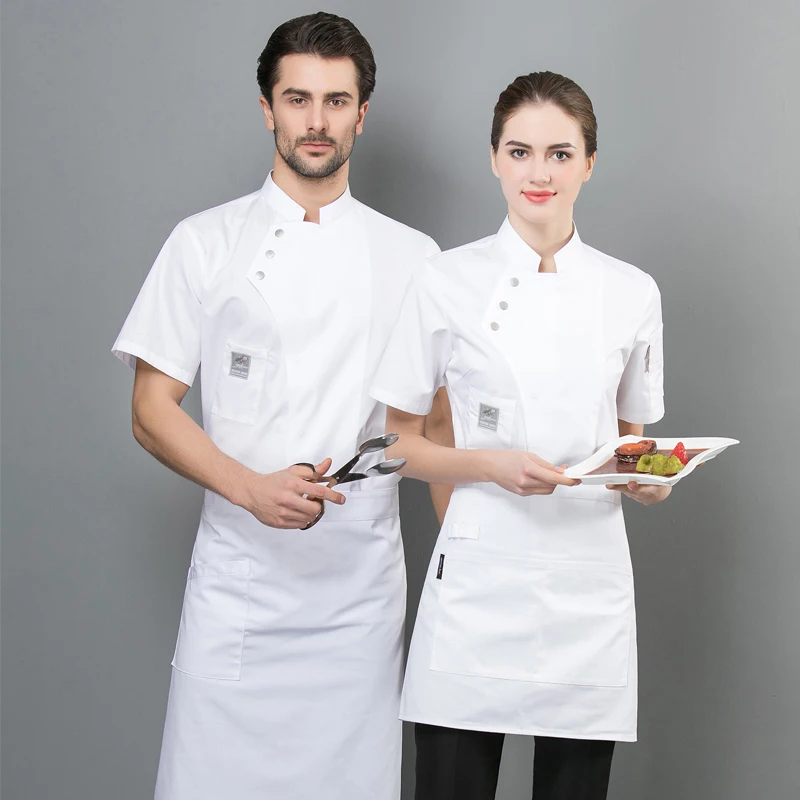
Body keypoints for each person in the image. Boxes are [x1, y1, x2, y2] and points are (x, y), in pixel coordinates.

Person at [112, 12, 444, 800]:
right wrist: (248, 487)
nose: (317, 121)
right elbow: (150, 408)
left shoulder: (415, 258)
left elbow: (432, 433)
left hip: (357, 594)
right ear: (268, 107)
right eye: (298, 99)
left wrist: (470, 561)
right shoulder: (204, 243)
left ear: (363, 113)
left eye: (336, 101)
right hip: (240, 586)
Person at [370, 71, 669, 800]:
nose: (540, 173)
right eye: (521, 151)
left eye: (561, 154)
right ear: (495, 159)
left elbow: (633, 442)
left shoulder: (633, 291)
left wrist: (652, 476)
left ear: (589, 162)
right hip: (478, 585)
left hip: (585, 589)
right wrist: (491, 465)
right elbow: (397, 445)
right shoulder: (445, 281)